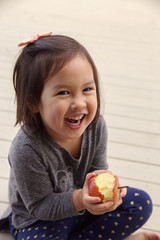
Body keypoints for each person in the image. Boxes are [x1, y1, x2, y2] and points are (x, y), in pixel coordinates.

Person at [5, 32, 160, 240]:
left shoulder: (96, 127)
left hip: (83, 207)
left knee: (140, 203)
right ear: (33, 102)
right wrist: (80, 199)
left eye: (87, 89)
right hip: (39, 221)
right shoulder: (26, 149)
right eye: (63, 93)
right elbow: (40, 206)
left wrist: (108, 195)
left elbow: (97, 171)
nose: (79, 103)